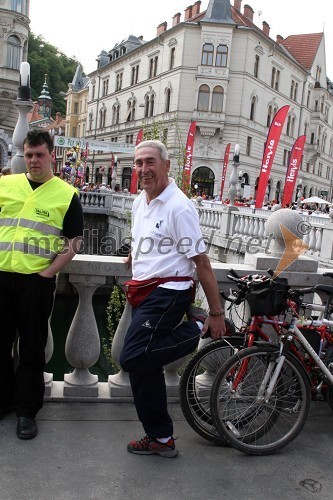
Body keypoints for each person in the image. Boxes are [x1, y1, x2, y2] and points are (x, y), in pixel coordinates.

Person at [119, 140, 226, 458]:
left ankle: (195, 327)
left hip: (169, 293)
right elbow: (147, 238)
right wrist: (135, 256)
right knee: (143, 368)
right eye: (138, 163)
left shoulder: (179, 207)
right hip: (145, 289)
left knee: (132, 357)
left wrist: (215, 312)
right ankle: (161, 437)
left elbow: (201, 262)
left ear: (166, 166)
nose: (143, 169)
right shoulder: (141, 200)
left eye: (150, 162)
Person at [0, 129, 84, 439]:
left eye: (40, 154)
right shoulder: (6, 184)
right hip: (1, 278)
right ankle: (5, 401)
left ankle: (27, 412)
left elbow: (75, 241)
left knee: (32, 349)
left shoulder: (66, 194)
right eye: (29, 154)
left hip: (35, 282)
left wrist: (48, 274)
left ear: (51, 156)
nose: (34, 160)